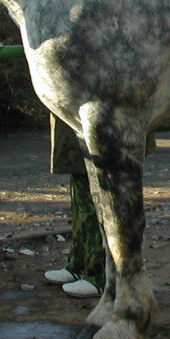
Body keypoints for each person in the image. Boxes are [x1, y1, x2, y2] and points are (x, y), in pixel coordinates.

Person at [44, 115, 106, 298]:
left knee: (99, 198)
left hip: (102, 118)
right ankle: (79, 265)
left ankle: (99, 274)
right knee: (81, 192)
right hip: (76, 117)